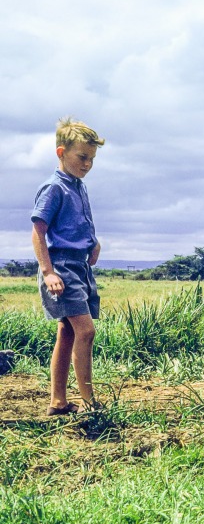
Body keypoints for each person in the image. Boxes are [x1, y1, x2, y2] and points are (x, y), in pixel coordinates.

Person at [31, 117, 105, 416]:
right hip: (61, 267)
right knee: (86, 331)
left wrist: (94, 241)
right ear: (61, 153)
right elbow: (38, 231)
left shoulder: (78, 186)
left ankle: (58, 402)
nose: (87, 164)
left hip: (80, 266)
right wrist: (49, 272)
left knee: (68, 333)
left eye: (91, 159)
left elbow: (74, 224)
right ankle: (89, 403)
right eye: (82, 157)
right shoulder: (53, 187)